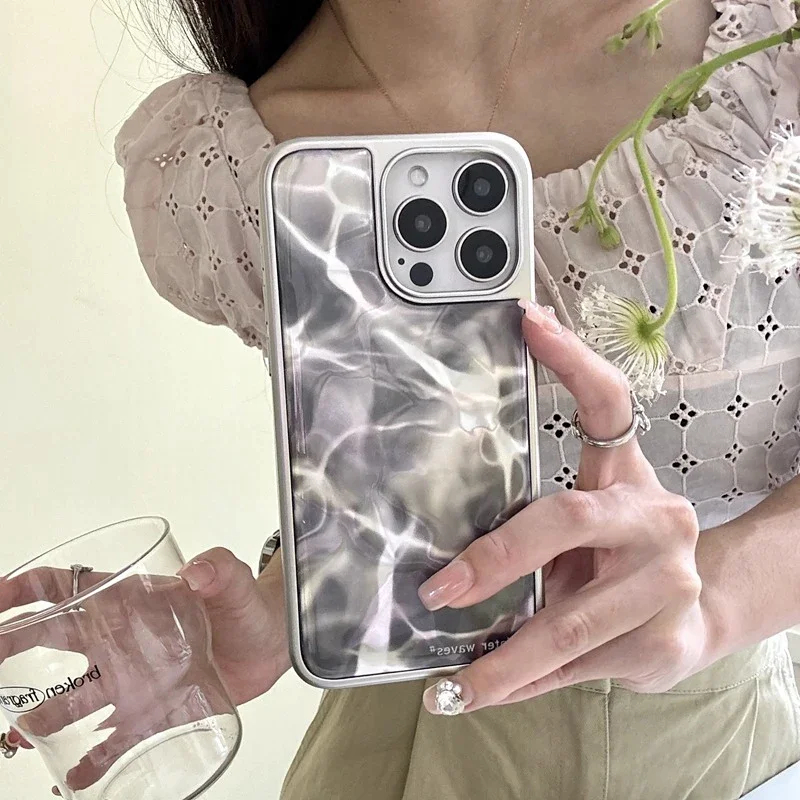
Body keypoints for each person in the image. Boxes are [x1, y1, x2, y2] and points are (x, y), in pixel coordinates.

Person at [10, 1, 800, 797]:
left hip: (730, 752)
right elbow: (407, 472)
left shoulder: (771, 47)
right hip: (401, 759)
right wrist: (294, 604)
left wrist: (713, 607)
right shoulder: (230, 167)